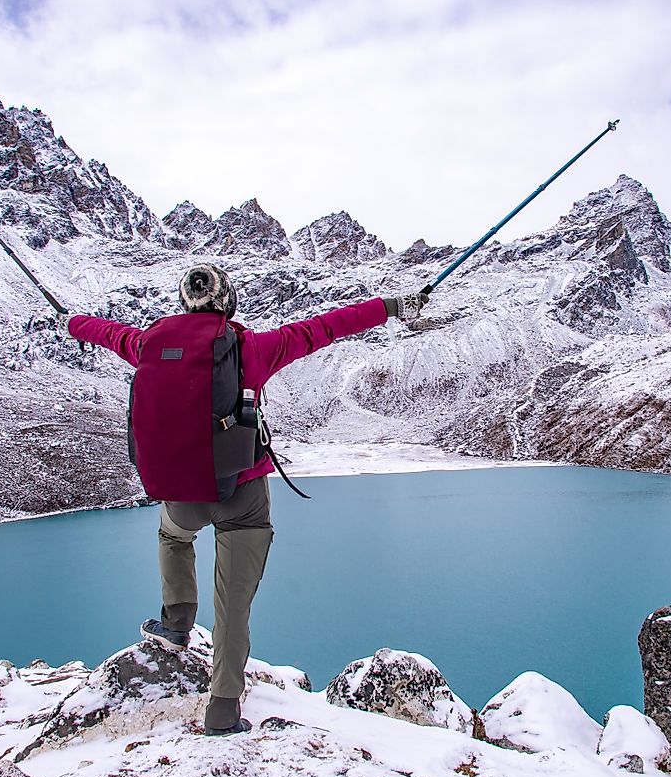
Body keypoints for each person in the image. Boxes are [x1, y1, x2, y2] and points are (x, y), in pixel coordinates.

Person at [62, 264, 427, 736]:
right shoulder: (252, 348)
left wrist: (72, 322)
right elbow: (329, 326)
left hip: (183, 495)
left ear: (184, 303)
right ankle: (223, 707)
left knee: (173, 535)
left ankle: (176, 620)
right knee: (233, 606)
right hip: (243, 493)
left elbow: (107, 332)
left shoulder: (148, 342)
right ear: (227, 301)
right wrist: (394, 307)